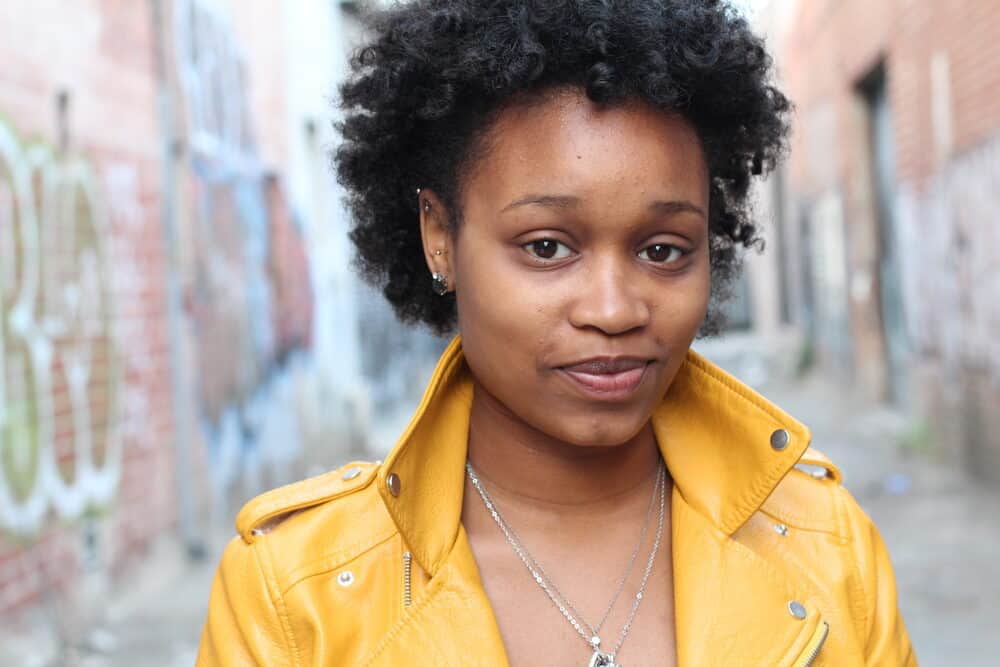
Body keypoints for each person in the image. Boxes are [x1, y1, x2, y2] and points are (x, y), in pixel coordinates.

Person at [197, 1, 916, 665]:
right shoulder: (293, 598)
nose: (613, 308)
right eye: (547, 246)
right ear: (440, 236)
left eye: (662, 249)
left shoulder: (830, 549)